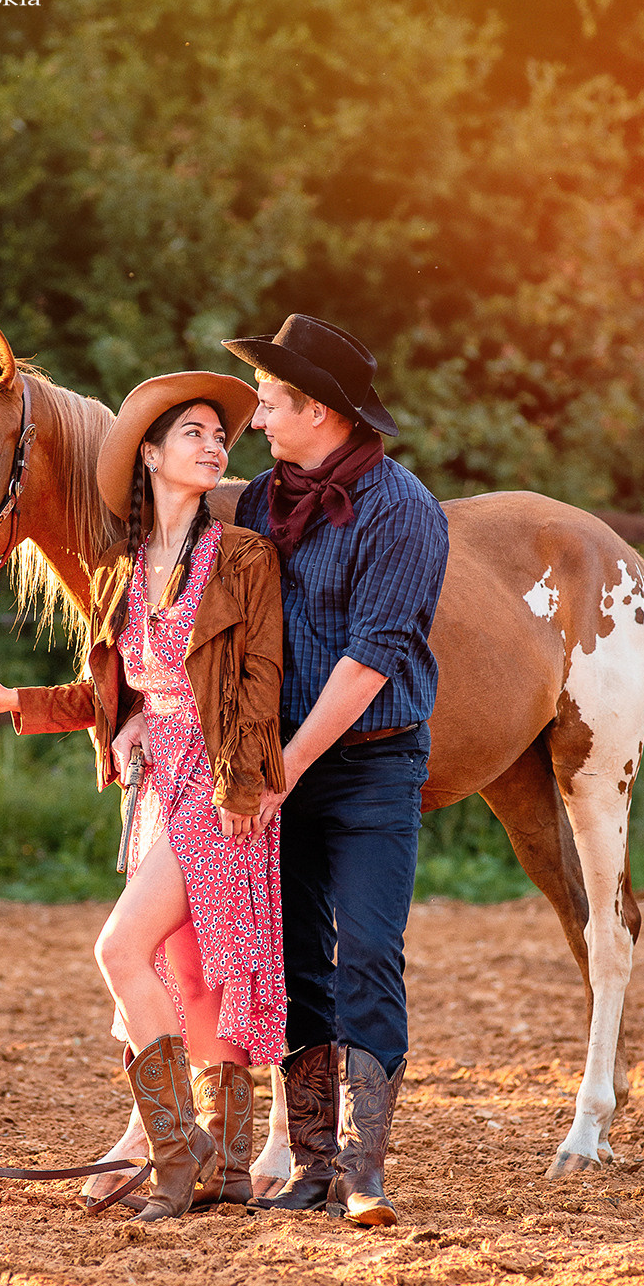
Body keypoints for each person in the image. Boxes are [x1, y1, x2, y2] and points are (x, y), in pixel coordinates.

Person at [0, 372, 286, 1222]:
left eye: (222, 437)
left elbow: (260, 683)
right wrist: (15, 703)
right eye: (195, 435)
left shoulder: (245, 558)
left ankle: (178, 1158)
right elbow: (114, 694)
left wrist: (242, 785)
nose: (216, 447)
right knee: (185, 970)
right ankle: (219, 1167)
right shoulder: (122, 569)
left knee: (120, 948)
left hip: (217, 786)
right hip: (153, 786)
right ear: (149, 454)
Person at [222, 315, 450, 1227]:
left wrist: (287, 763)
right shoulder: (259, 503)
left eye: (271, 403)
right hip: (279, 766)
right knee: (294, 964)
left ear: (318, 410)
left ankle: (364, 1172)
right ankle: (310, 1167)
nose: (259, 419)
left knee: (367, 953)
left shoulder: (403, 510)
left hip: (368, 767)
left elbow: (373, 656)